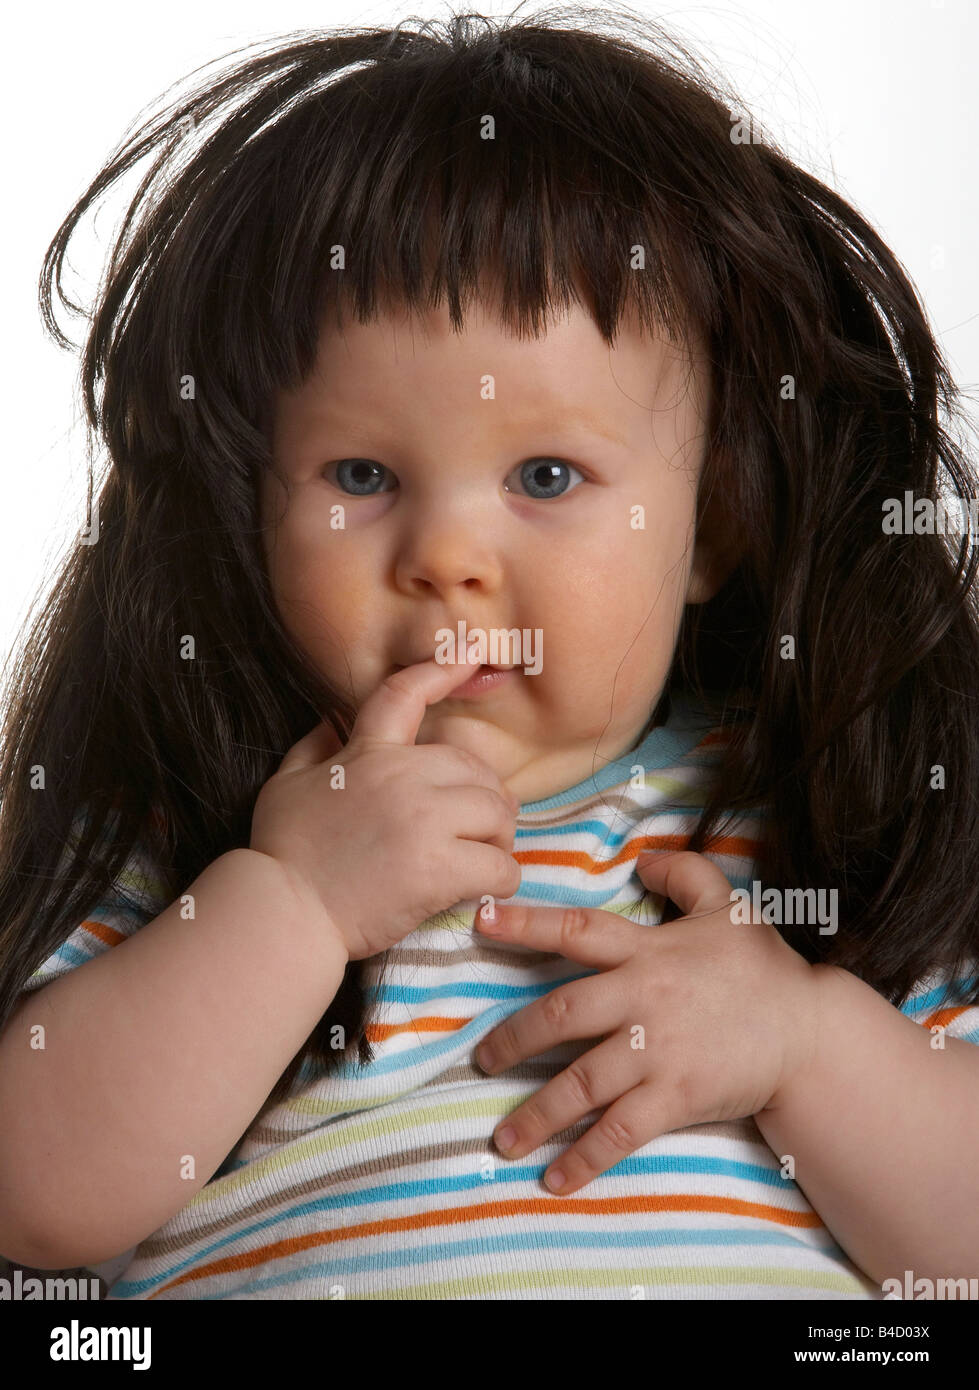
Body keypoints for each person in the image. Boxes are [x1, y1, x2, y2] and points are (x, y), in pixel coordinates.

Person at [1, 9, 977, 1301]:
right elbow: (34, 1198)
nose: (447, 555)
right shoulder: (202, 831)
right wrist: (291, 907)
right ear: (251, 512)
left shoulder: (810, 823)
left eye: (548, 474)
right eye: (361, 474)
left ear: (715, 521)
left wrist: (805, 1043)